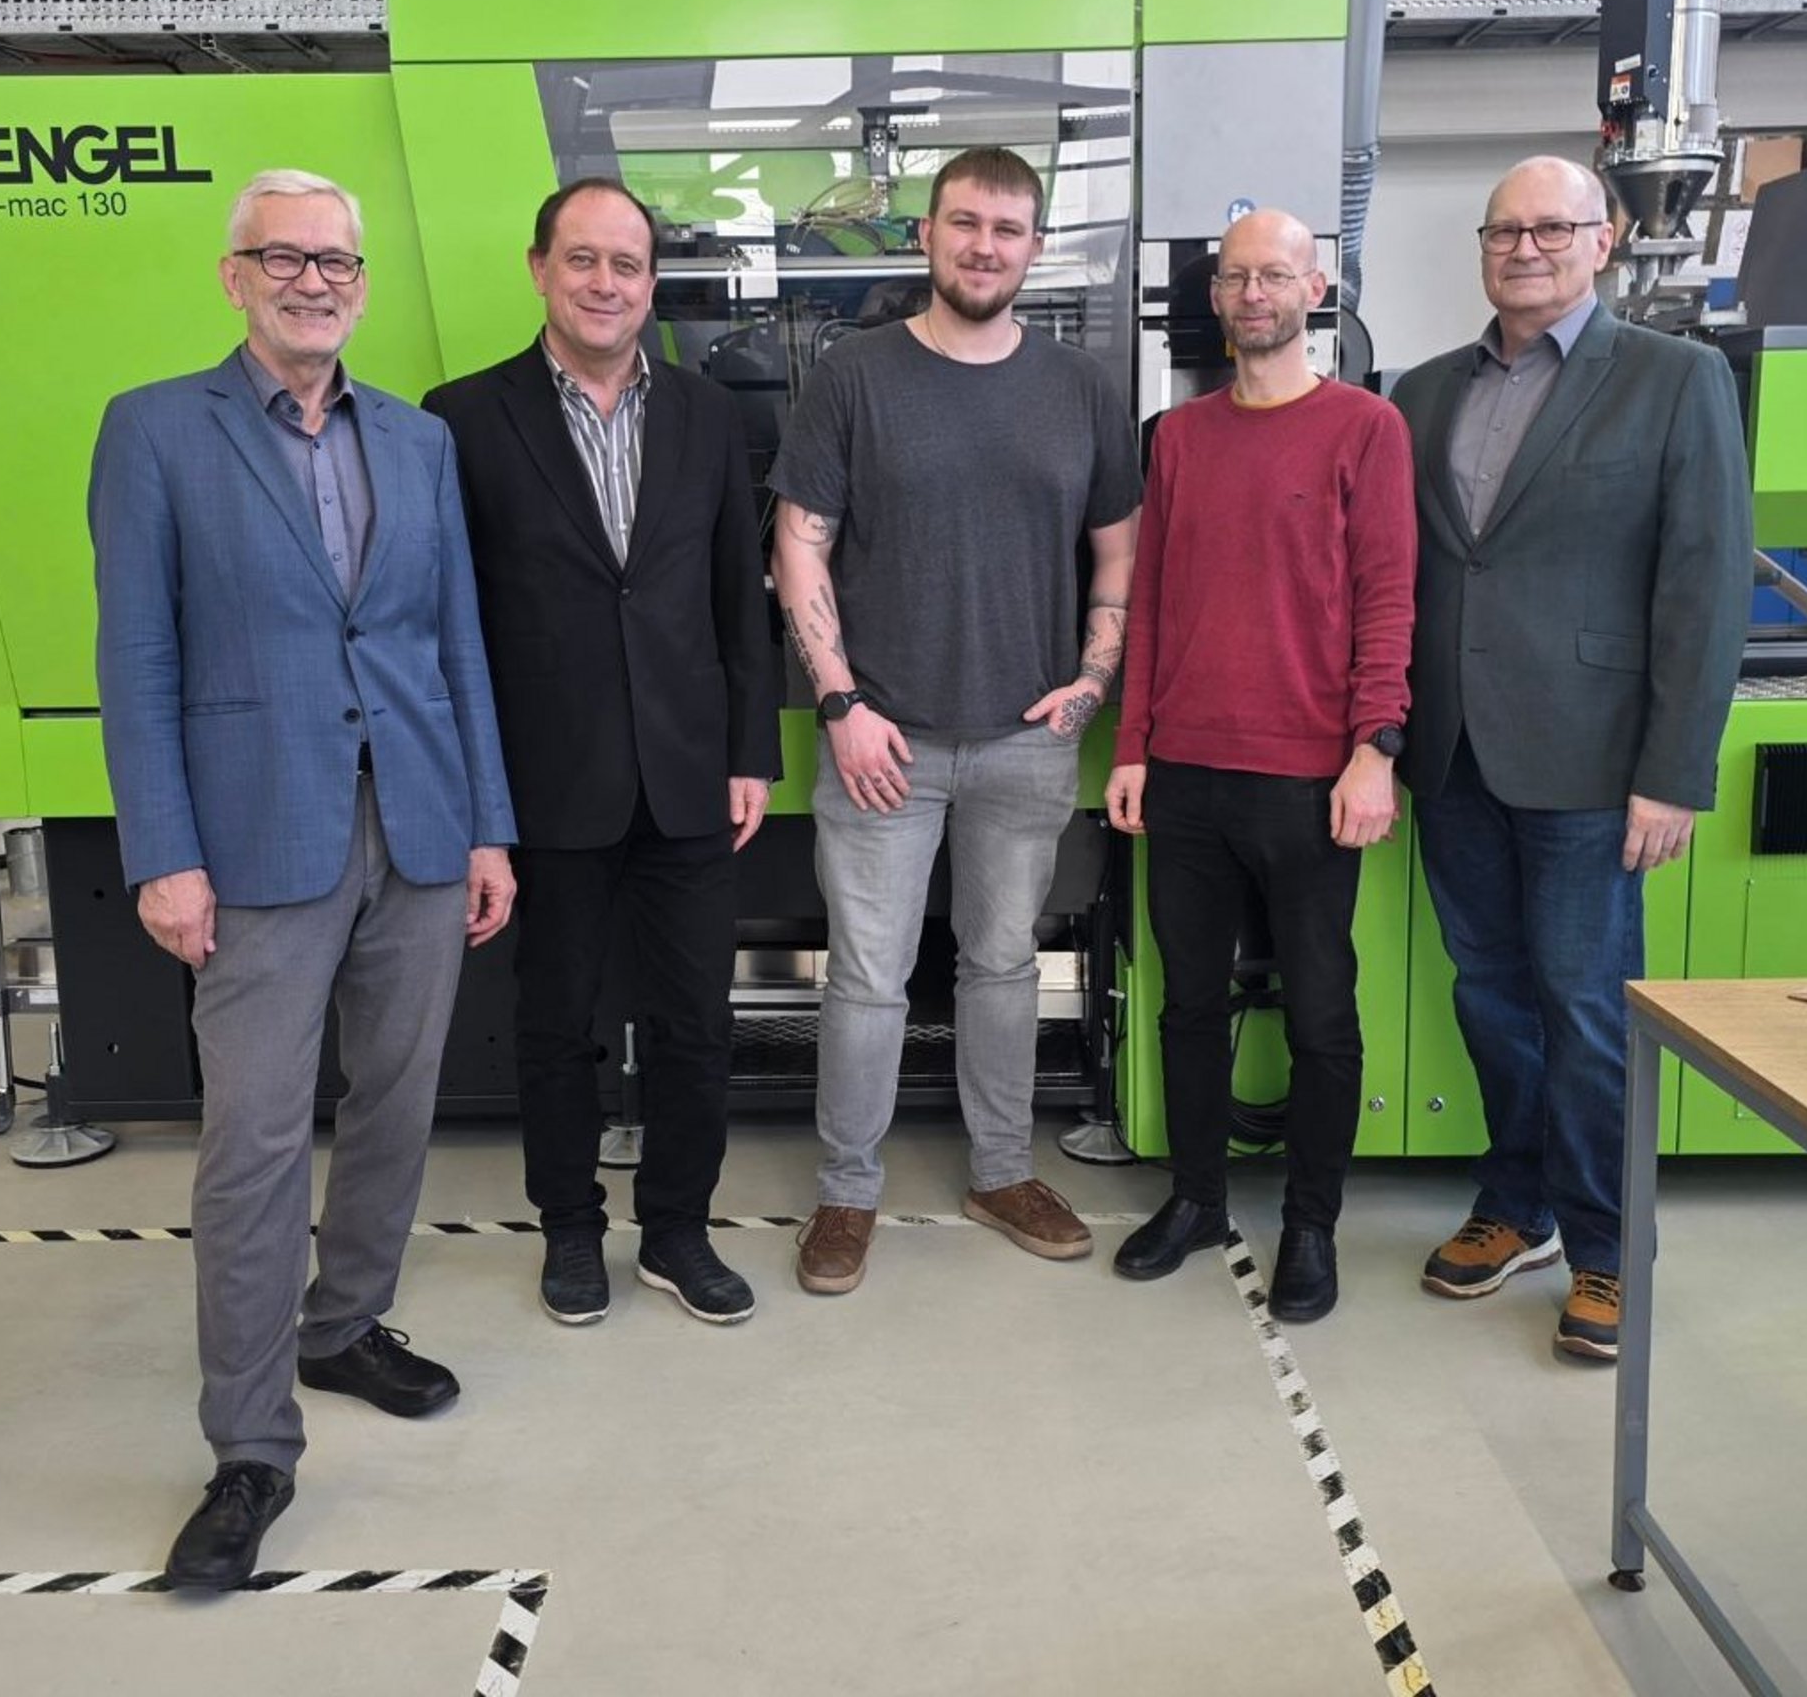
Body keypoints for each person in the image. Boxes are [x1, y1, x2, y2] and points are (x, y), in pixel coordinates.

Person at [88, 169, 517, 1590]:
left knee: (397, 1100)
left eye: (336, 261)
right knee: (256, 1143)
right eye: (285, 258)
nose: (314, 281)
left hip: (419, 826)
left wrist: (488, 827)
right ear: (235, 277)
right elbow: (135, 658)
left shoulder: (416, 439)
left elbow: (455, 644)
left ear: (361, 284)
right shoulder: (156, 429)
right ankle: (251, 1449)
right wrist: (163, 853)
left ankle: (343, 1327)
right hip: (255, 840)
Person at [1392, 155, 1753, 1362]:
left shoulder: (1674, 379)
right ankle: (1519, 1204)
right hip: (1454, 754)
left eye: (1554, 229)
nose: (1527, 249)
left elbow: (1704, 586)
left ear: (1605, 241)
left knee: (1586, 1009)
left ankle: (1607, 1248)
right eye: (1506, 231)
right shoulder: (1424, 392)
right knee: (1491, 996)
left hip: (1594, 765)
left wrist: (1675, 771)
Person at [771, 145, 1142, 1295]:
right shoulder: (855, 376)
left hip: (1028, 740)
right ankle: (848, 1190)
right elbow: (799, 545)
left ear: (1035, 248)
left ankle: (1001, 1171)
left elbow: (1118, 553)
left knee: (1003, 965)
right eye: (966, 223)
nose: (986, 246)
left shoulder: (1080, 388)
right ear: (927, 235)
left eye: (1008, 229)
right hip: (881, 741)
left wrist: (1091, 682)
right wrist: (840, 704)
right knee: (865, 979)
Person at [424, 179, 780, 1328]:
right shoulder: (462, 419)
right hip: (546, 780)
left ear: (651, 284)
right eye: (582, 259)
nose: (605, 283)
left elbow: (738, 596)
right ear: (539, 269)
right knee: (554, 1025)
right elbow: (452, 622)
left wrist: (750, 749)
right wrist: (479, 799)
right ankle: (570, 1230)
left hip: (688, 775)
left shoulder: (708, 415)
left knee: (698, 1025)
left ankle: (677, 1230)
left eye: (627, 264)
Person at [1104, 209, 1416, 1323]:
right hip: (1186, 771)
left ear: (1314, 289)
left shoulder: (1366, 428)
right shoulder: (1179, 438)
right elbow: (1151, 604)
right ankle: (1197, 1199)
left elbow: (1387, 598)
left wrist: (1374, 749)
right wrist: (1133, 746)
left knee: (1321, 1012)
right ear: (1215, 296)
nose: (1253, 295)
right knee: (1189, 1005)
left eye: (1274, 276)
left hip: (1308, 778)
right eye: (1236, 278)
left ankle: (1311, 1227)